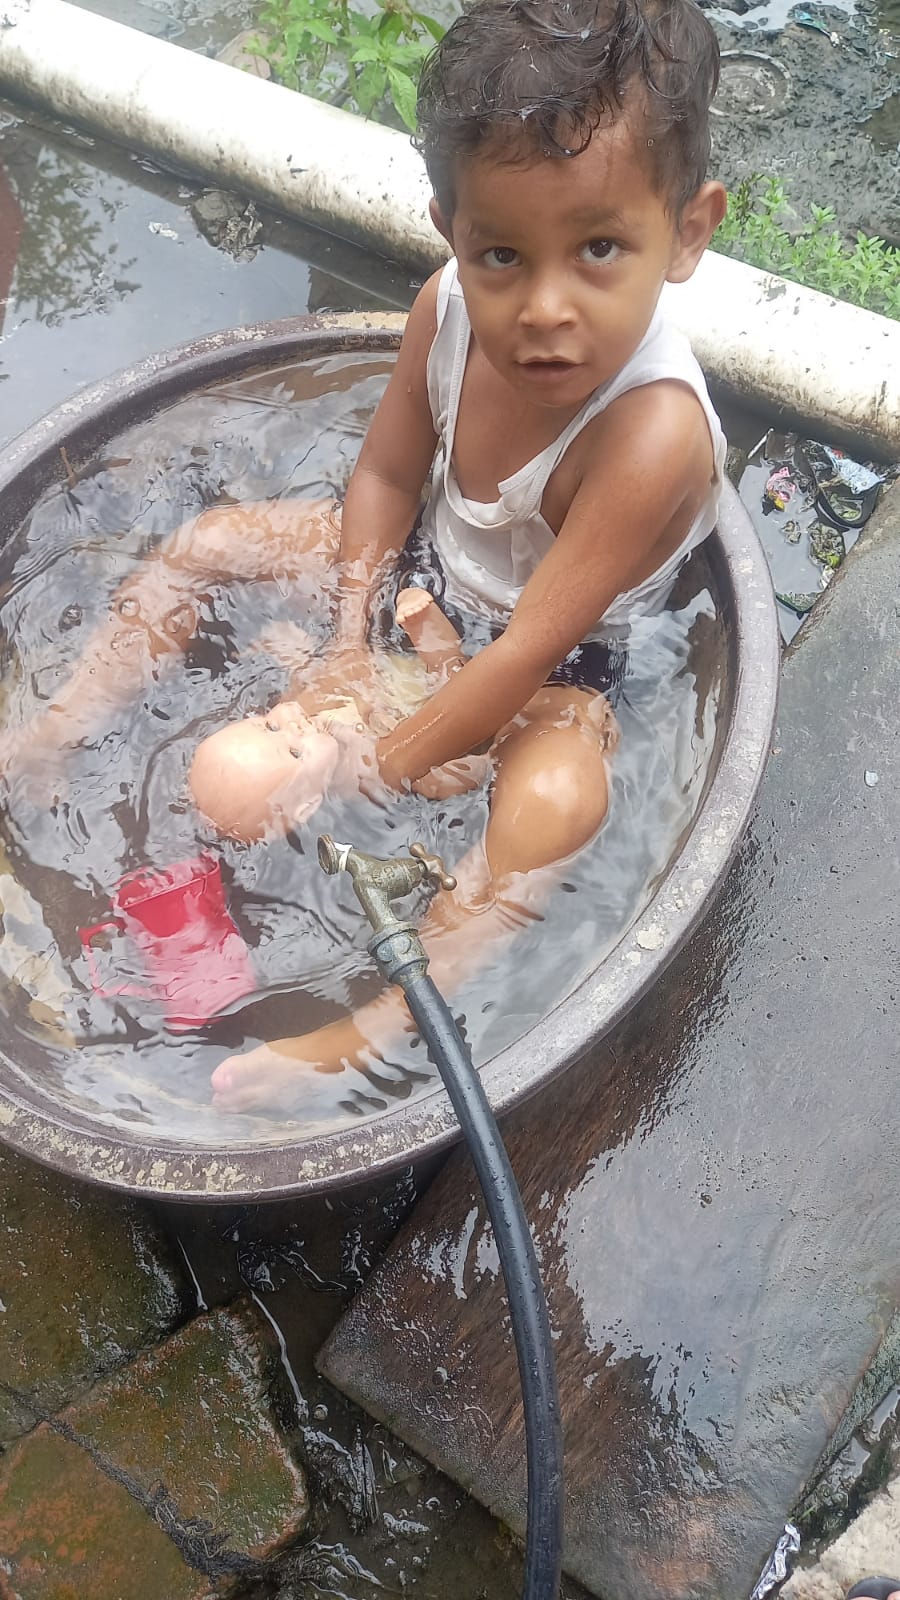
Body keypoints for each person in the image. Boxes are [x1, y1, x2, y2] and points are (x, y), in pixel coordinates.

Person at [4, 0, 728, 1112]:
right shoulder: (446, 311)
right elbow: (388, 478)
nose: (544, 309)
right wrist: (350, 635)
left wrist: (379, 760)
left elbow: (525, 653)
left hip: (561, 663)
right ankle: (52, 739)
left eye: (599, 249)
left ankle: (370, 1030)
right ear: (450, 229)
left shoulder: (652, 435)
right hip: (422, 573)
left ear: (686, 233)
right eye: (501, 253)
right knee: (212, 541)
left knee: (555, 801)